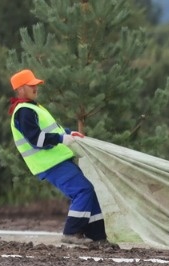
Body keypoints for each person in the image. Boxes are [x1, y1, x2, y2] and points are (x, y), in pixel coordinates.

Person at [8, 69, 109, 246]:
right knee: (83, 191)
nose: (35, 88)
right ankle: (71, 233)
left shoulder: (33, 108)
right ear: (20, 89)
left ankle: (98, 237)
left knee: (88, 191)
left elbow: (53, 131)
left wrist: (69, 133)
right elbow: (36, 140)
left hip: (57, 160)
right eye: (31, 85)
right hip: (51, 163)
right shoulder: (24, 111)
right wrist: (63, 138)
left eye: (36, 85)